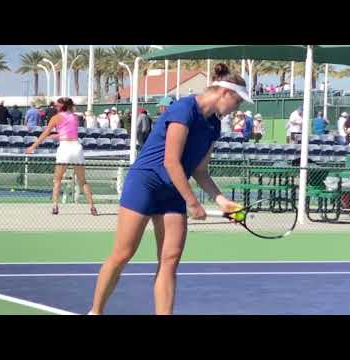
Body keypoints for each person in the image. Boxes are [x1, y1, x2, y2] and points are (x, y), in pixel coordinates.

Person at [88, 63, 248, 315]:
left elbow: (200, 170)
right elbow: (171, 161)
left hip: (173, 191)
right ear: (225, 93)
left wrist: (221, 200)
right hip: (145, 183)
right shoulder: (184, 109)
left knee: (169, 262)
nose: (236, 108)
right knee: (122, 254)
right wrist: (193, 203)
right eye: (237, 101)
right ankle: (95, 311)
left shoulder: (214, 126)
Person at [25, 98, 98, 217]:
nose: (56, 107)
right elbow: (66, 133)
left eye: (57, 106)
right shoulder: (74, 117)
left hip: (65, 148)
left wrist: (32, 147)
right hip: (76, 147)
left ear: (61, 106)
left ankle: (55, 206)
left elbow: (45, 133)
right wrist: (54, 136)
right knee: (83, 181)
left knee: (57, 179)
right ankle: (92, 207)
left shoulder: (56, 117)